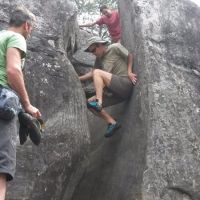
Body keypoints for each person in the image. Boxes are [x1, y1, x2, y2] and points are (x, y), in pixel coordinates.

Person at [0, 6, 41, 199]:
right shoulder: (16, 38)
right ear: (26, 25)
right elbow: (13, 71)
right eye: (30, 28)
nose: (29, 32)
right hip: (2, 98)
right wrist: (26, 105)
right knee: (2, 165)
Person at [79, 36, 137, 137]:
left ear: (100, 45)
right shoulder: (99, 59)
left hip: (125, 84)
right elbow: (92, 73)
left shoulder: (115, 47)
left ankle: (99, 102)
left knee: (98, 72)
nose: (93, 53)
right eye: (90, 52)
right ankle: (112, 122)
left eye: (93, 50)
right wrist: (77, 79)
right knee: (88, 103)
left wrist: (129, 72)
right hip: (116, 94)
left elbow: (129, 56)